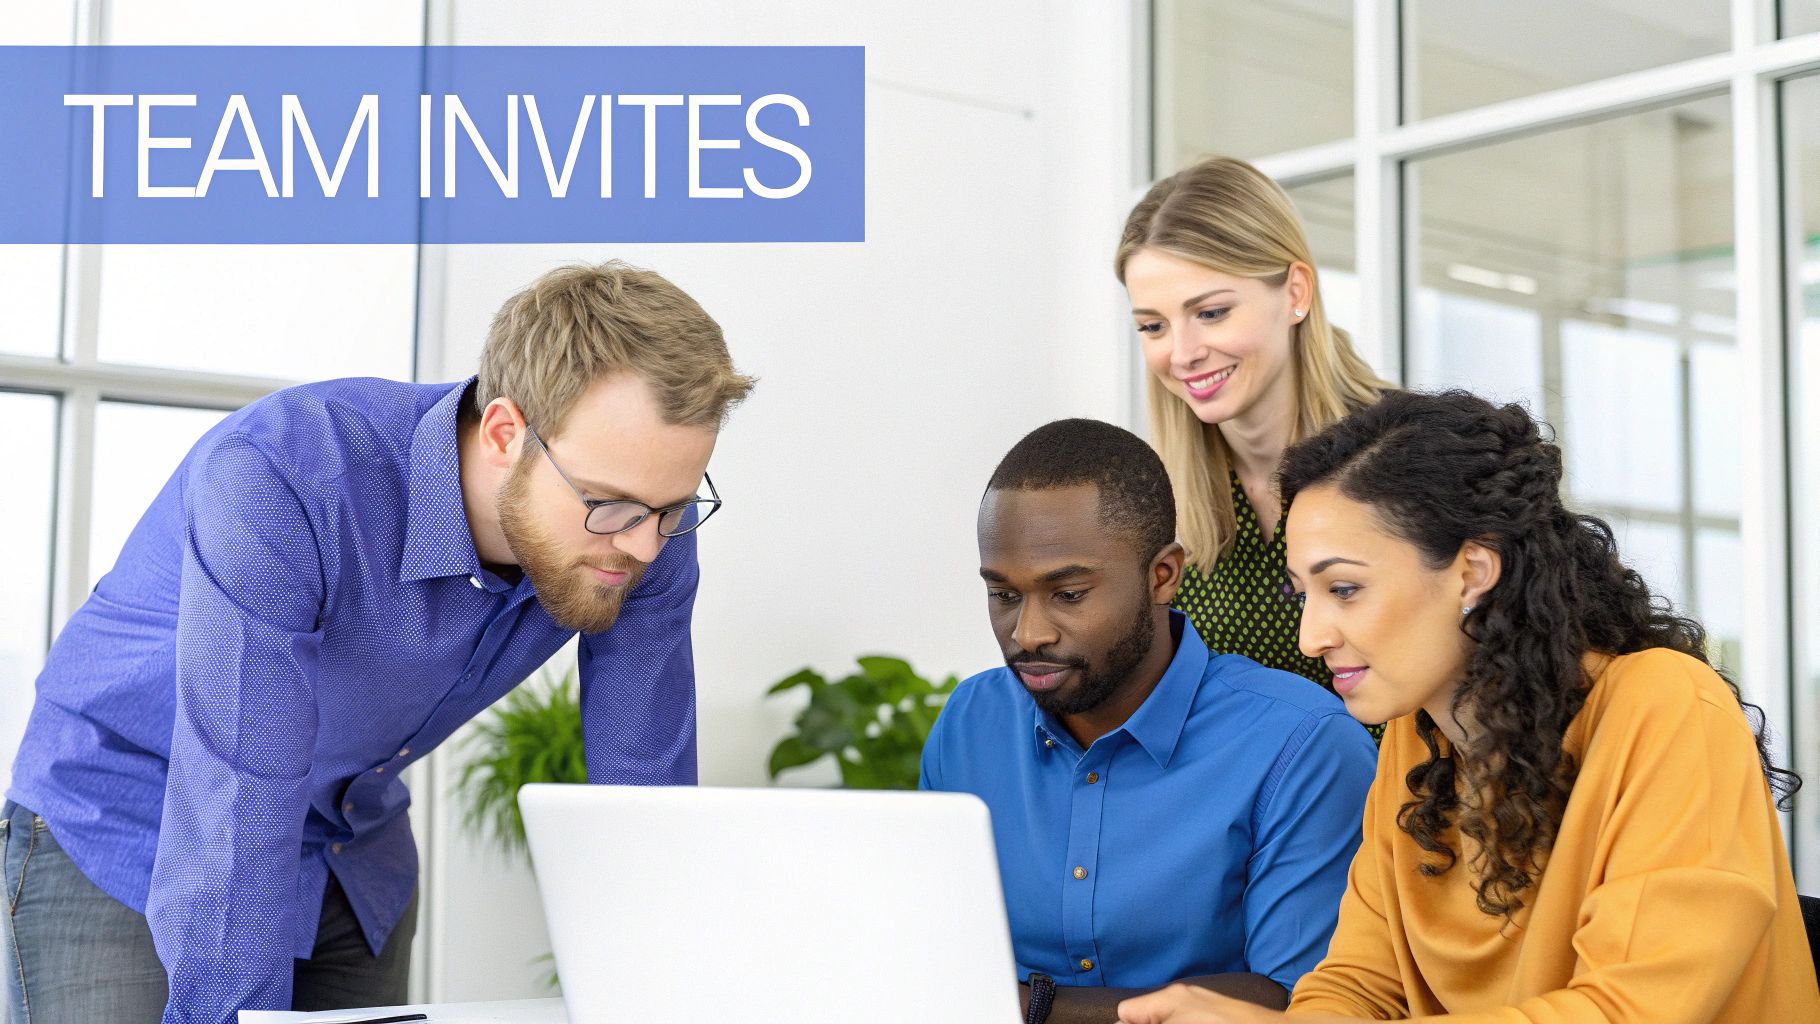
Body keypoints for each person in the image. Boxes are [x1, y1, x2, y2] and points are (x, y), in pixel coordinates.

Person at [1, 261, 755, 1024]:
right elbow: (237, 800)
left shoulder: (643, 521)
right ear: (505, 432)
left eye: (674, 506)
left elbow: (644, 791)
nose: (648, 546)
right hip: (130, 821)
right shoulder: (281, 477)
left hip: (349, 849)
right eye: (610, 505)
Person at [1115, 390, 1819, 1023]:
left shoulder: (1667, 711)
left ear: (1473, 572)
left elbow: (1624, 1012)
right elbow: (1357, 985)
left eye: (1347, 590)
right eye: (1305, 594)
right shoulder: (1413, 741)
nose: (1312, 636)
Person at [920, 418, 1376, 1024]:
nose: (1029, 633)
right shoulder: (969, 724)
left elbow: (1296, 1000)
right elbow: (932, 959)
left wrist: (1035, 1009)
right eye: (1004, 596)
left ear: (1163, 575)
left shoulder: (1303, 744)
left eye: (1069, 594)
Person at [1115, 156, 1389, 696]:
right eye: (1153, 325)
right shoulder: (1153, 500)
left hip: (1407, 779)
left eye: (1211, 312)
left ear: (1295, 293)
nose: (1184, 353)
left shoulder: (1410, 455)